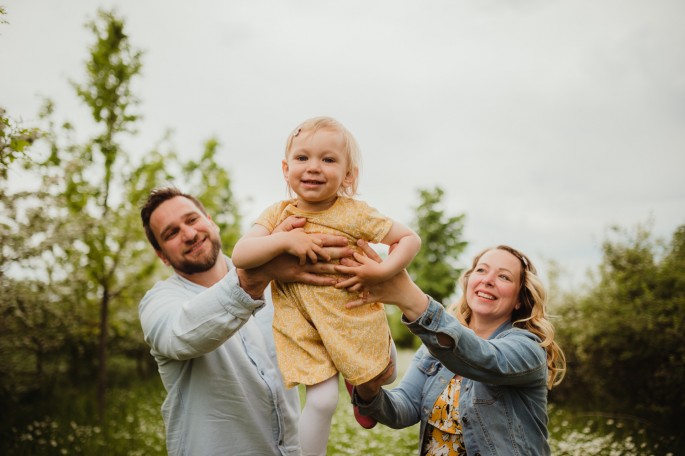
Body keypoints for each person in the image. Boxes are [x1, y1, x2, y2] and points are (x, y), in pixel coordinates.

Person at [232, 116, 422, 455]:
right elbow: (241, 254)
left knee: (385, 373)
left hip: (352, 316)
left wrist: (382, 272)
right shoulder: (278, 214)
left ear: (348, 175)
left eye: (328, 159)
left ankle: (363, 393)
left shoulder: (355, 214)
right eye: (303, 158)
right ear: (285, 167)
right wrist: (284, 241)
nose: (313, 167)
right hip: (303, 325)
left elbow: (409, 238)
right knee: (321, 401)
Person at [138, 186, 353, 456]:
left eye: (192, 220)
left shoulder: (279, 286)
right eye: (171, 233)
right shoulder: (158, 303)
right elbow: (179, 335)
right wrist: (254, 277)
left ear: (210, 220)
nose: (189, 234)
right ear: (162, 256)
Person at [338, 242, 566, 456]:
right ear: (468, 282)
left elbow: (481, 358)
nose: (488, 280)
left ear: (519, 299)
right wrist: (369, 391)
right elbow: (405, 408)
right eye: (481, 270)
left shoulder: (528, 348)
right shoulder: (434, 349)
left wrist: (407, 296)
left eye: (504, 277)